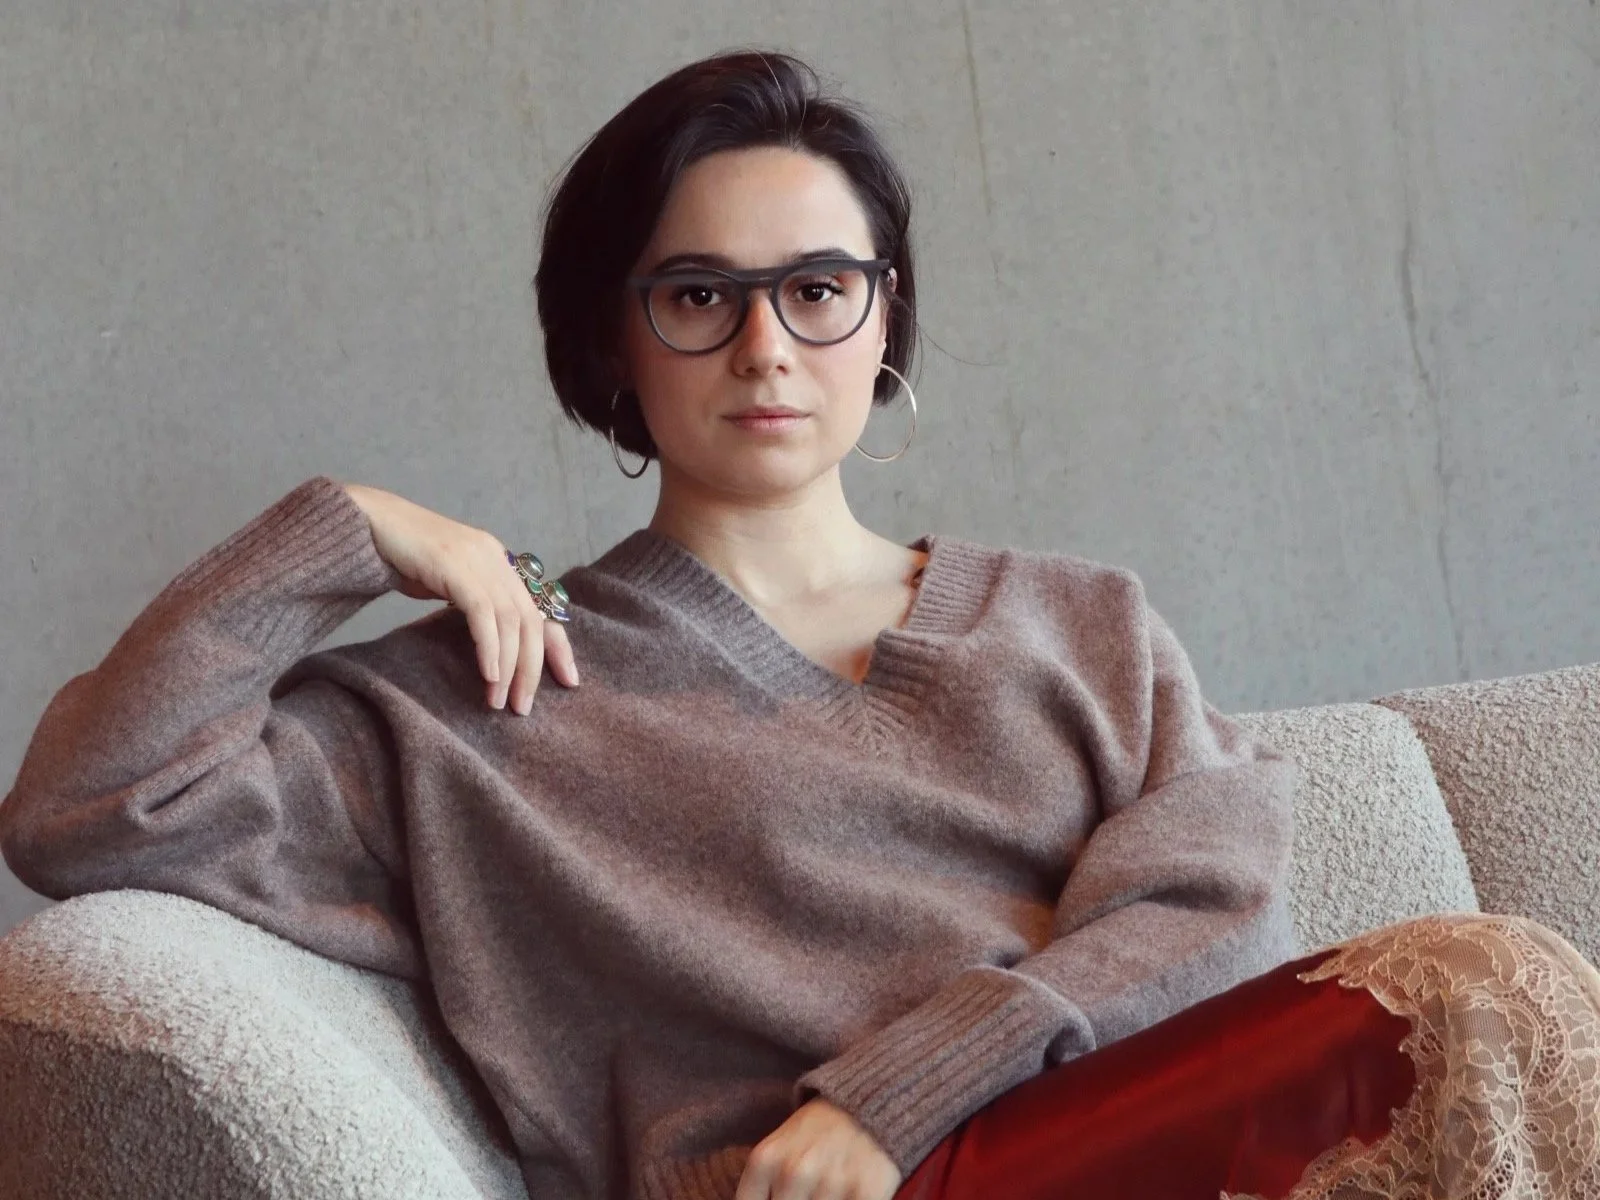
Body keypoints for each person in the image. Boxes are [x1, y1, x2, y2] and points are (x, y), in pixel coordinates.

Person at [3, 48, 1597, 1200]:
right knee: (1479, 989)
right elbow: (89, 804)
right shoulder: (487, 701)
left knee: (1483, 1006)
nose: (766, 344)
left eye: (818, 288)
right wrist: (354, 529)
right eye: (698, 293)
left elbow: (1217, 918)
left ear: (883, 316)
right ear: (610, 340)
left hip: (1125, 1154)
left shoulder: (1081, 627)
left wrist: (902, 1090)